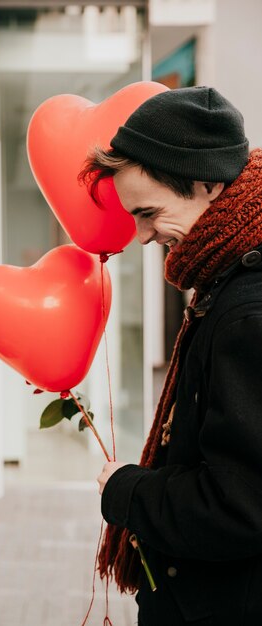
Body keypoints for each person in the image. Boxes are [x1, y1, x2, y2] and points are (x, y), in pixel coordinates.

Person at [79, 86, 262, 625]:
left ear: (208, 183)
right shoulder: (230, 279)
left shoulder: (245, 312)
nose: (140, 235)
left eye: (149, 212)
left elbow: (240, 504)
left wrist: (127, 492)